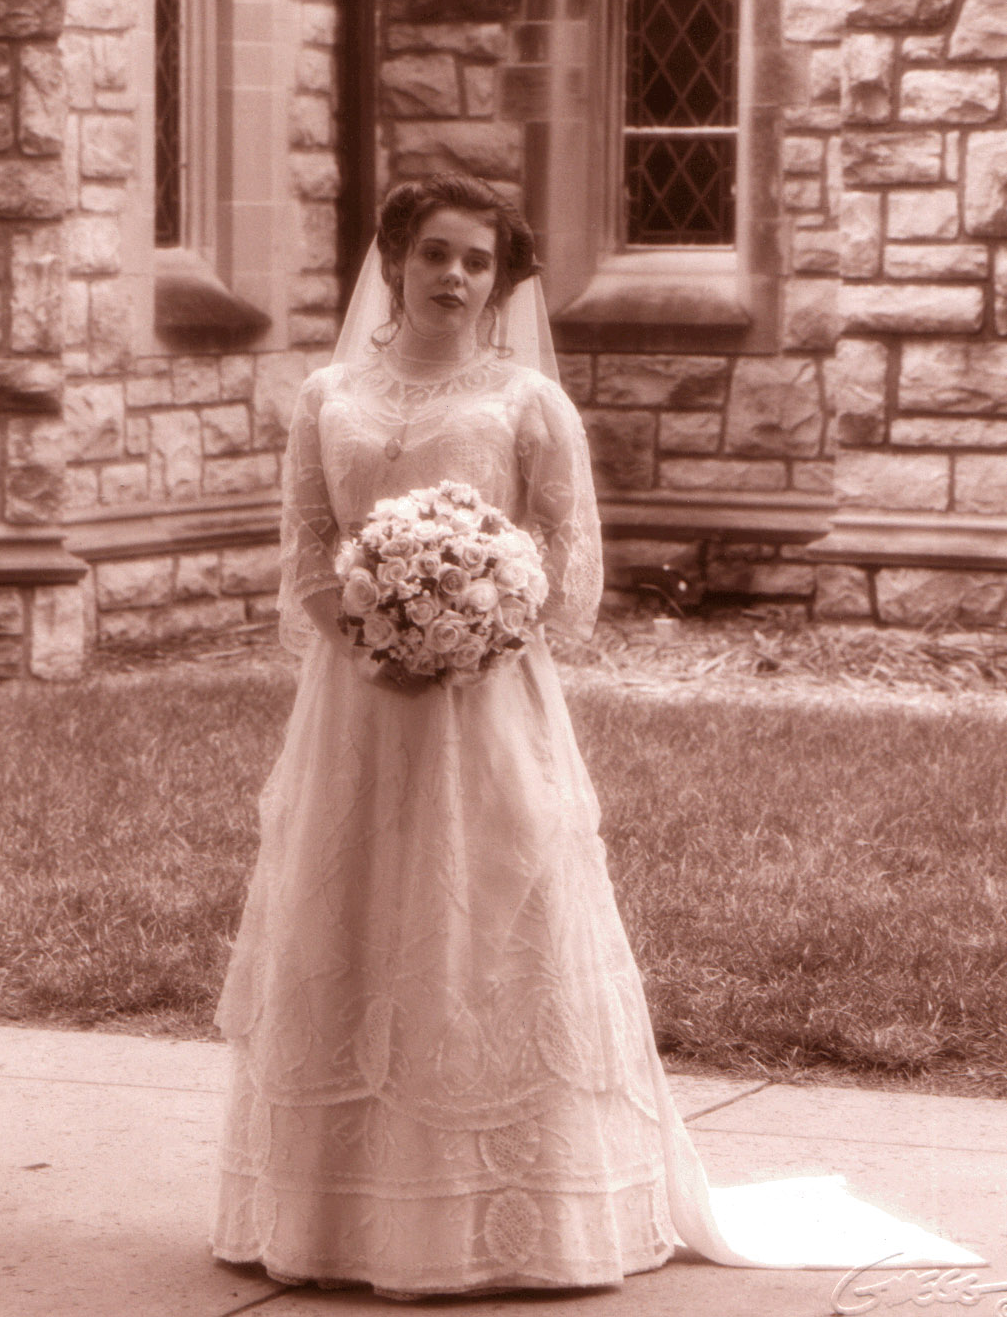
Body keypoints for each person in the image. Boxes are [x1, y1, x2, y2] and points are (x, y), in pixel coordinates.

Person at [210, 173, 982, 1298]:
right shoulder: (329, 394)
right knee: (356, 909)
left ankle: (510, 1215)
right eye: (435, 253)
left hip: (487, 704)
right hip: (356, 706)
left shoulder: (527, 403)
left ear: (502, 279)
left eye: (478, 261)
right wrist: (375, 626)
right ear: (394, 258)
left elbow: (569, 567)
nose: (455, 277)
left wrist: (469, 629)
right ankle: (338, 1211)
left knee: (486, 916)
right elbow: (306, 550)